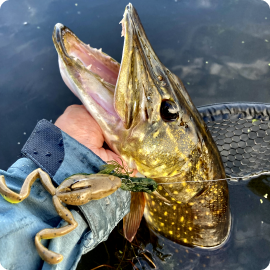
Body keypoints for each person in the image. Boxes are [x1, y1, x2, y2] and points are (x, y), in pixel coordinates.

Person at [0, 105, 131, 270]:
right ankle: (41, 242)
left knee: (39, 173)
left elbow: (41, 172)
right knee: (72, 224)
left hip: (60, 188)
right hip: (63, 199)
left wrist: (61, 146)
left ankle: (17, 195)